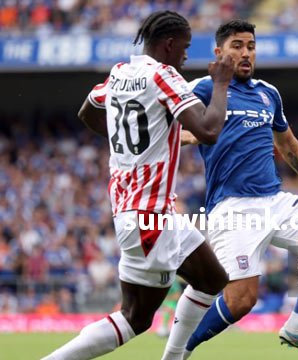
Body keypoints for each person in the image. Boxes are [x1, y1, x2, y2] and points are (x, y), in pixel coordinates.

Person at [40, 10, 234, 360]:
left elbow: (88, 111)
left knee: (211, 279)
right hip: (148, 219)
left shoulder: (119, 74)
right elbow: (208, 130)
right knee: (134, 318)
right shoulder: (164, 76)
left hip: (153, 213)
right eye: (185, 48)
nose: (187, 56)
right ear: (169, 44)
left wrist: (134, 145)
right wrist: (221, 83)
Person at [167, 20, 298, 360]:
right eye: (237, 45)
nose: (246, 52)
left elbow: (290, 145)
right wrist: (191, 135)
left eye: (250, 46)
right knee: (241, 301)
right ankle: (179, 353)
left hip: (273, 199)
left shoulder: (269, 93)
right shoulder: (204, 88)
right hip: (232, 207)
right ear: (219, 52)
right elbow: (169, 126)